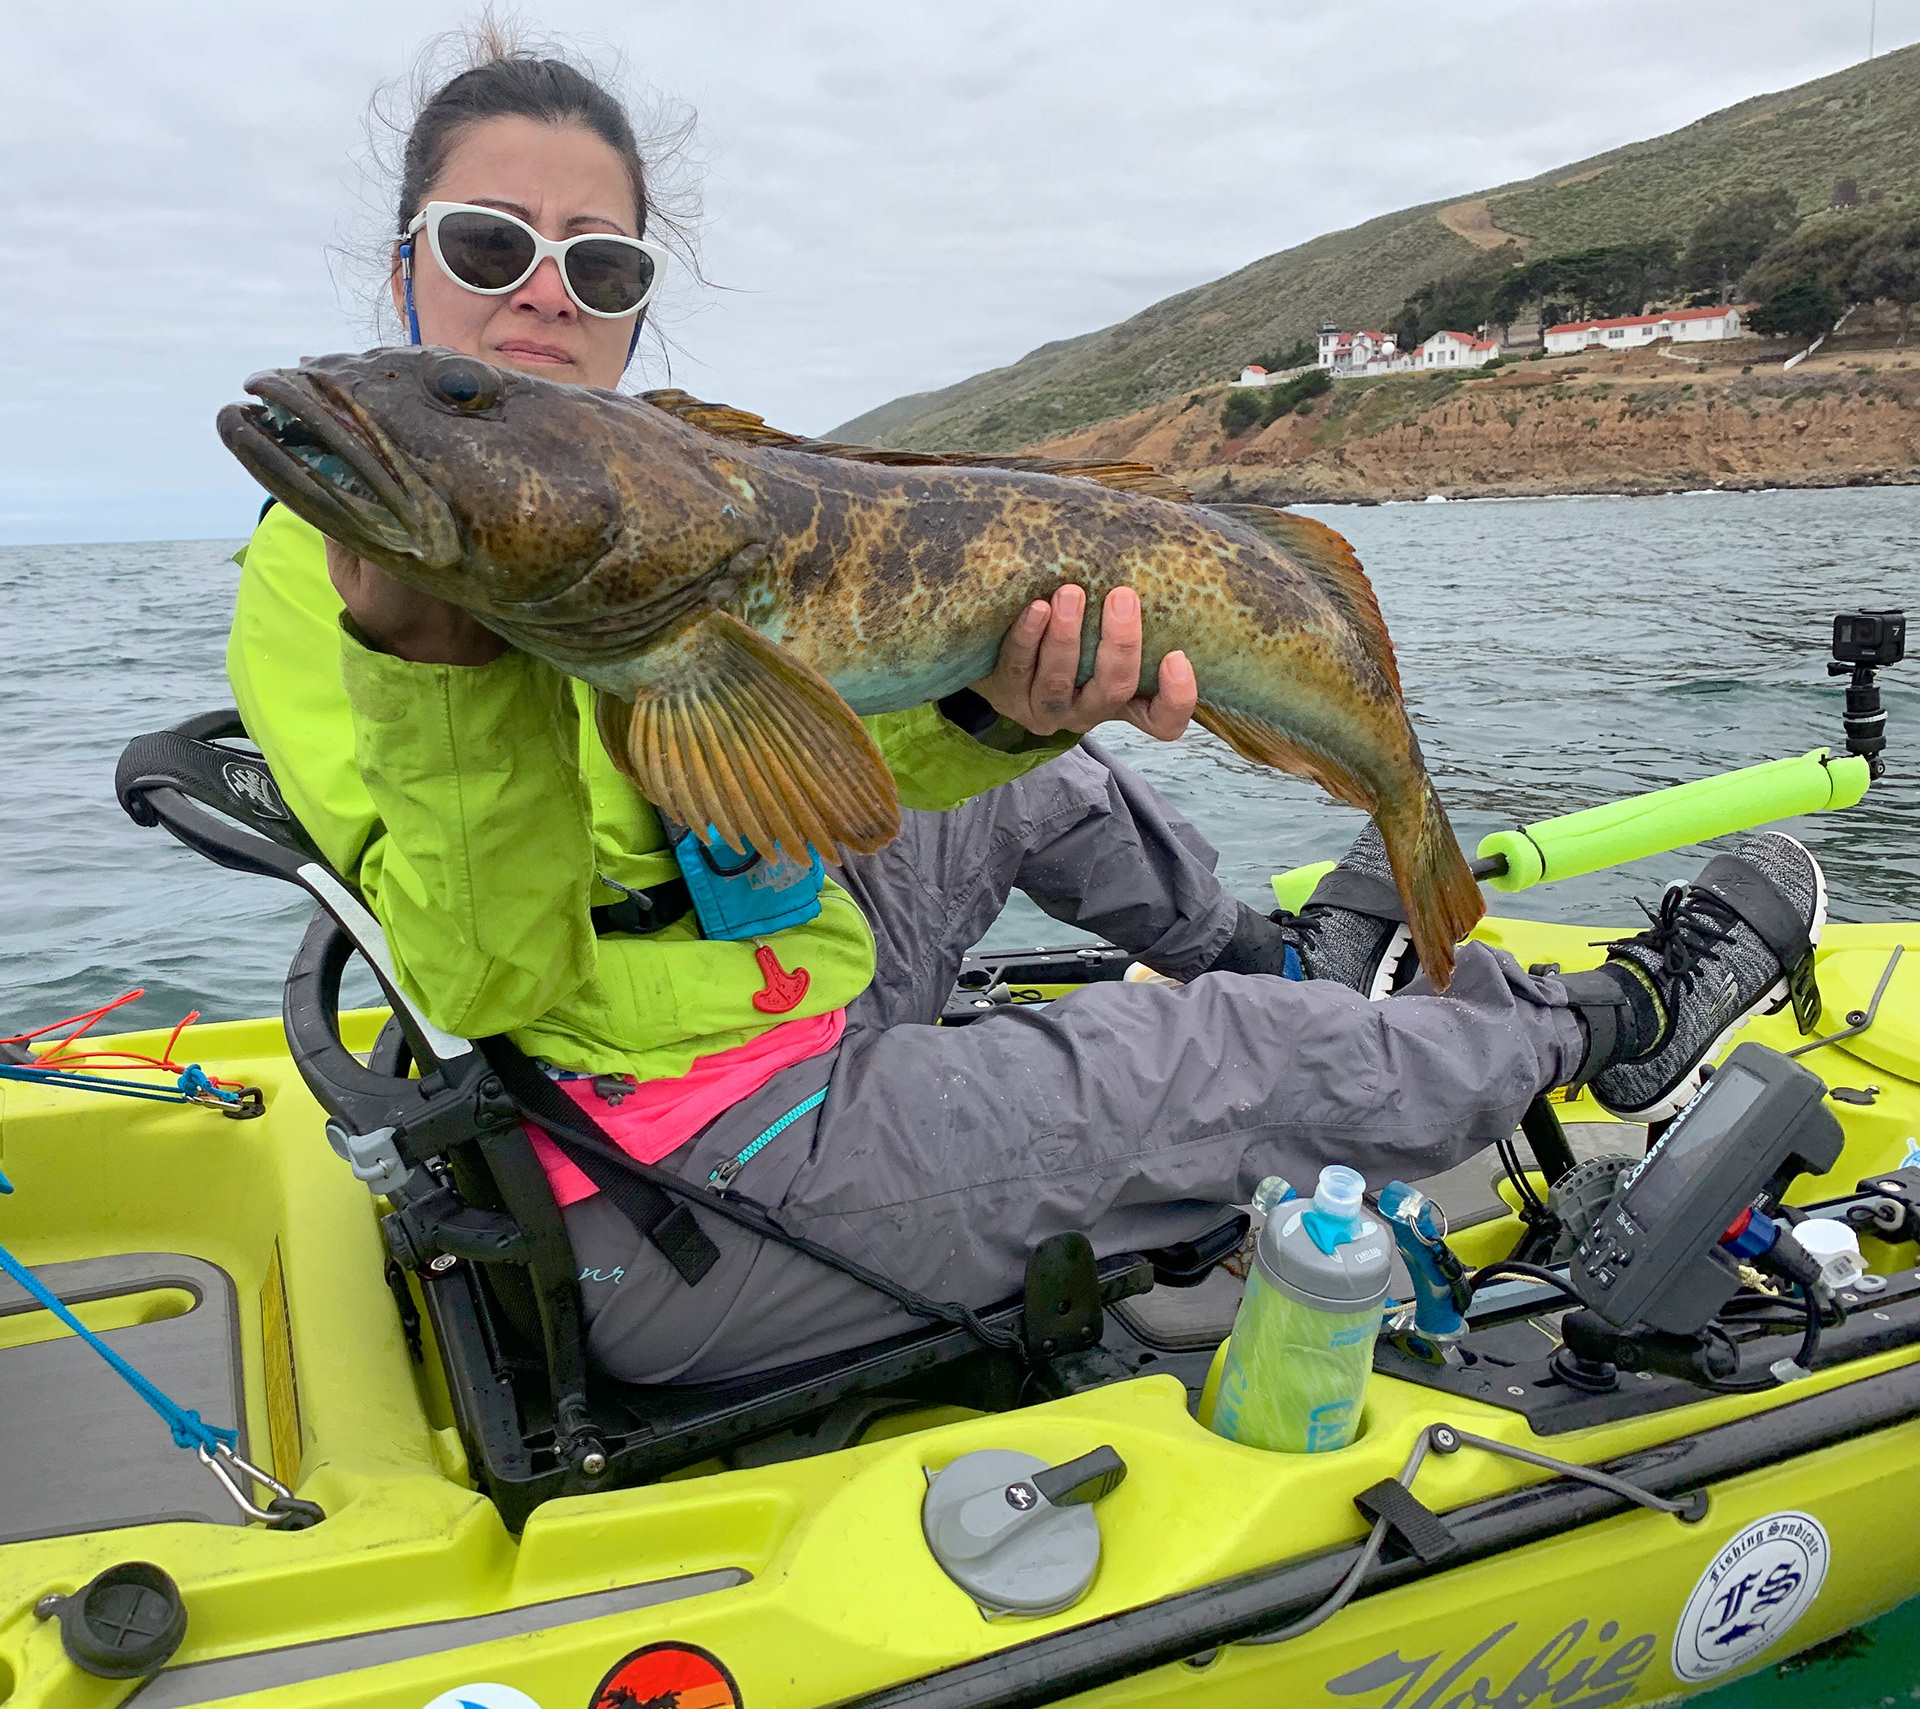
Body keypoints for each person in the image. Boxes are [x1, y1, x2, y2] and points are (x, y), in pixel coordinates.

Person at [228, 36, 1827, 1386]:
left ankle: (1292, 956)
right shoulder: (338, 590)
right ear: (403, 267)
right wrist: (432, 662)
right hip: (677, 1172)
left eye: (601, 263)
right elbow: (493, 978)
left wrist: (1000, 719)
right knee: (1216, 1055)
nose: (542, 301)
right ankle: (1598, 1029)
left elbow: (844, 774)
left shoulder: (663, 496)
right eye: (487, 248)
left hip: (782, 974)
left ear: (641, 303)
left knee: (1034, 785)